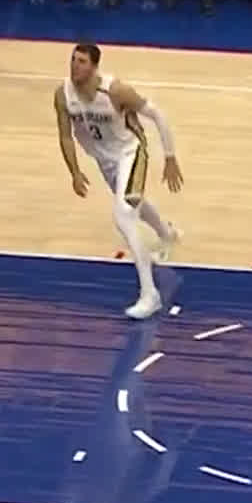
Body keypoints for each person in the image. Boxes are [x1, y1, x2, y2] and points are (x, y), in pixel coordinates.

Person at [54, 44, 183, 319]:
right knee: (133, 203)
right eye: (73, 59)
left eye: (82, 61)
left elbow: (157, 114)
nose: (75, 65)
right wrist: (74, 171)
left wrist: (170, 157)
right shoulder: (63, 94)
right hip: (105, 160)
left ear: (94, 67)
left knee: (123, 214)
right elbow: (65, 135)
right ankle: (167, 234)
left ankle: (150, 294)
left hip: (130, 152)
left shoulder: (115, 91)